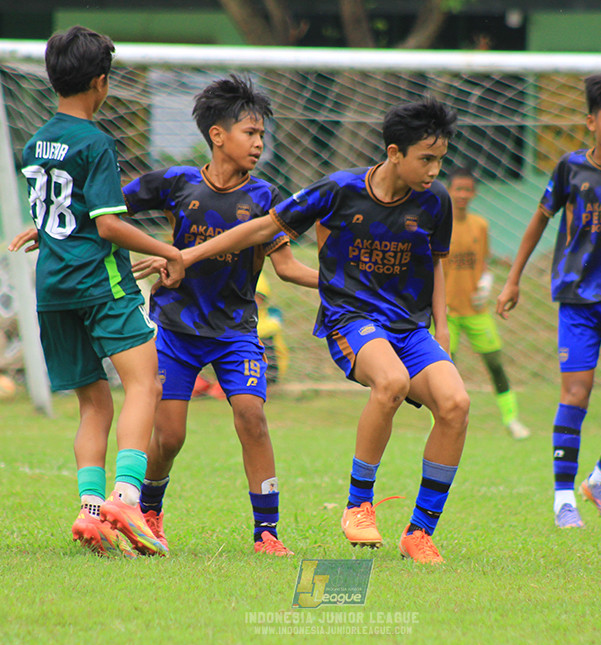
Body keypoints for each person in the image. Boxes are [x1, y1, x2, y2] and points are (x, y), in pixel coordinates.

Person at [178, 98, 469, 564]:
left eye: (440, 159)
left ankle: (419, 533)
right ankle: (358, 506)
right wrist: (187, 256)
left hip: (410, 328)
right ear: (395, 153)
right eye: (427, 159)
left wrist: (444, 329)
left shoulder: (436, 202)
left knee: (456, 404)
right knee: (391, 382)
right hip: (351, 318)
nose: (436, 170)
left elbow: (435, 266)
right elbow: (261, 228)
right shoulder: (339, 190)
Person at [123, 75, 318, 556]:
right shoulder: (176, 182)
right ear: (217, 134)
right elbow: (108, 209)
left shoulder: (266, 198)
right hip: (175, 330)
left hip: (235, 332)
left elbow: (288, 267)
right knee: (168, 436)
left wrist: (341, 283)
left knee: (252, 417)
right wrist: (56, 230)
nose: (258, 143)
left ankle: (266, 534)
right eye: (250, 133)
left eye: (262, 136)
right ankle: (149, 512)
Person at [8, 26, 184, 557]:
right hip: (98, 283)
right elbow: (107, 225)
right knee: (145, 386)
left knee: (93, 402)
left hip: (52, 289)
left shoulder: (37, 141)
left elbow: (64, 212)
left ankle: (90, 511)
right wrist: (169, 250)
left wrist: (48, 231)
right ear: (101, 82)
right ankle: (127, 498)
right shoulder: (97, 142)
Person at [495, 74, 601, 529]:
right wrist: (513, 281)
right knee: (576, 393)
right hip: (578, 297)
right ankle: (563, 499)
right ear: (591, 121)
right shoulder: (570, 168)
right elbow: (538, 221)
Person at [442, 166, 530, 440]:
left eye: (468, 189)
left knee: (495, 364)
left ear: (474, 193)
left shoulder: (480, 225)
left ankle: (511, 419)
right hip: (446, 313)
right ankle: (442, 424)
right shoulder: (437, 224)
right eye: (458, 189)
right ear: (448, 191)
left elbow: (483, 261)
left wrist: (486, 282)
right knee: (444, 373)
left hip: (476, 310)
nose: (463, 194)